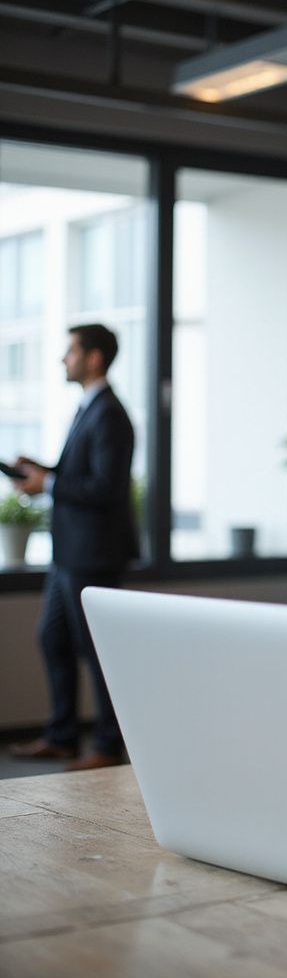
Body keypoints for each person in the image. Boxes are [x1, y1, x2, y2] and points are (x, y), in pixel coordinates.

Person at [11, 323, 138, 770]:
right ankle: (63, 736)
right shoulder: (89, 408)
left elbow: (105, 488)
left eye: (70, 352)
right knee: (53, 638)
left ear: (94, 358)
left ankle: (107, 745)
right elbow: (76, 475)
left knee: (96, 650)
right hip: (68, 553)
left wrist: (50, 482)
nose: (63, 360)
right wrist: (43, 471)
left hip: (93, 554)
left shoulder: (110, 414)